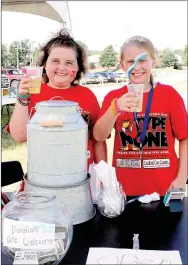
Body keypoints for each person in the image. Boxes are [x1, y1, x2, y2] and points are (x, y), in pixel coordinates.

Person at [93, 35, 187, 196]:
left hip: (165, 188)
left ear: (153, 62)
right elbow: (99, 136)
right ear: (122, 65)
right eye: (130, 61)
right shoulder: (113, 97)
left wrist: (182, 177)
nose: (136, 67)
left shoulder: (169, 95)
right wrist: (115, 108)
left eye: (142, 60)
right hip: (124, 190)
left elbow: (185, 137)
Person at [9, 29, 107, 168]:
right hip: (44, 176)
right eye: (55, 61)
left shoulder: (87, 95)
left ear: (78, 68)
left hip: (81, 176)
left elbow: (98, 139)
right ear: (44, 65)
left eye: (69, 63)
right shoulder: (32, 92)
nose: (62, 67)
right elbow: (19, 136)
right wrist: (22, 97)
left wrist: (102, 174)